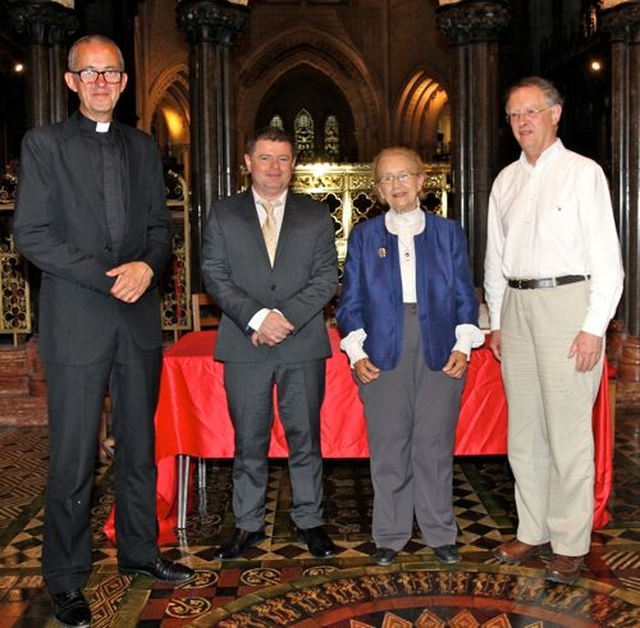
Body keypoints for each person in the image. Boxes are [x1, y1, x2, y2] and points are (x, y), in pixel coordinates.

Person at [12, 34, 195, 628]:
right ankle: (66, 578)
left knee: (140, 448)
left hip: (137, 319)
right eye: (88, 73)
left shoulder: (143, 147)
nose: (99, 82)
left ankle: (141, 552)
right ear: (71, 81)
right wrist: (110, 276)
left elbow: (160, 230)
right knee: (73, 457)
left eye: (110, 72)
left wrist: (149, 264)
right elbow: (32, 236)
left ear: (122, 81)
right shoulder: (43, 145)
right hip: (79, 319)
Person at [484, 76, 624, 585]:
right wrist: (497, 320)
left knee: (567, 434)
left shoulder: (583, 174)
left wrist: (593, 328)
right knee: (524, 432)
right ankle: (532, 527)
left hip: (569, 305)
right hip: (517, 308)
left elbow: (609, 262)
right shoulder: (505, 181)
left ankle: (569, 541)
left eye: (531, 112)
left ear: (555, 113)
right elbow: (495, 260)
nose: (522, 122)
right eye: (514, 115)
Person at [336, 147, 484, 566]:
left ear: (422, 181)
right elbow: (349, 303)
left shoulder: (448, 232)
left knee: (434, 443)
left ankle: (440, 532)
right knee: (389, 443)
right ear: (378, 188)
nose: (396, 185)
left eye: (404, 176)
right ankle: (390, 534)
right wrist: (356, 350)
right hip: (383, 343)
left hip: (440, 343)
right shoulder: (365, 237)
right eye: (386, 178)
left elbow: (462, 294)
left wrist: (463, 344)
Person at [201, 127, 339, 560]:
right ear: (248, 162)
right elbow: (214, 275)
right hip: (246, 344)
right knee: (249, 440)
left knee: (305, 439)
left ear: (293, 164)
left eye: (283, 158)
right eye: (265, 158)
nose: (274, 167)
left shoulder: (316, 215)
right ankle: (246, 524)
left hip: (301, 344)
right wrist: (259, 318)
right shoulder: (224, 214)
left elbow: (326, 278)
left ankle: (311, 521)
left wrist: (287, 319)